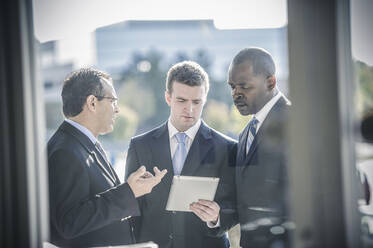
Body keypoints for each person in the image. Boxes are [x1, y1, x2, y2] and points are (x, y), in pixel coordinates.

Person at [48, 68, 167, 247]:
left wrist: (133, 188)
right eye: (113, 101)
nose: (117, 109)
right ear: (92, 102)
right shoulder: (65, 151)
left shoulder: (80, 143)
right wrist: (128, 192)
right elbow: (69, 222)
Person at [125, 61, 237, 248]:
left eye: (196, 102)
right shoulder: (139, 146)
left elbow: (236, 205)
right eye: (182, 100)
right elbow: (132, 205)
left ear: (205, 100)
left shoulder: (227, 148)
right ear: (168, 98)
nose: (190, 109)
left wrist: (218, 216)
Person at [191, 47, 291, 248]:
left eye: (244, 87)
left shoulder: (294, 121)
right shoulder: (245, 135)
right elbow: (244, 200)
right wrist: (217, 216)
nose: (236, 94)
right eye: (232, 87)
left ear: (270, 82)